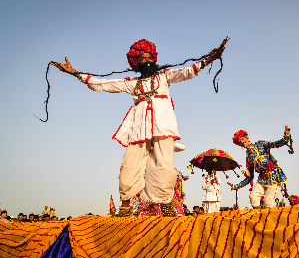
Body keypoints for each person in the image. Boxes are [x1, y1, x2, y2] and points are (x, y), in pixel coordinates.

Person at [49, 39, 225, 217]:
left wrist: (210, 59)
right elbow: (103, 84)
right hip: (139, 131)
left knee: (164, 166)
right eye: (143, 58)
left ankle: (166, 206)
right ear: (136, 62)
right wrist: (74, 73)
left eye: (150, 57)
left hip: (163, 128)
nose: (147, 60)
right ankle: (125, 208)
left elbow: (186, 72)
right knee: (129, 166)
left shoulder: (164, 76)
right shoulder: (131, 83)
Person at [227, 126, 292, 209]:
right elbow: (249, 177)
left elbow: (275, 144)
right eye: (240, 142)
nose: (242, 143)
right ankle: (260, 219)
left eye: (242, 139)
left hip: (274, 176)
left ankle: (270, 221)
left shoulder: (260, 144)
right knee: (253, 197)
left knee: (268, 202)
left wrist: (286, 137)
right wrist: (236, 186)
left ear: (247, 137)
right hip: (262, 179)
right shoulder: (248, 157)